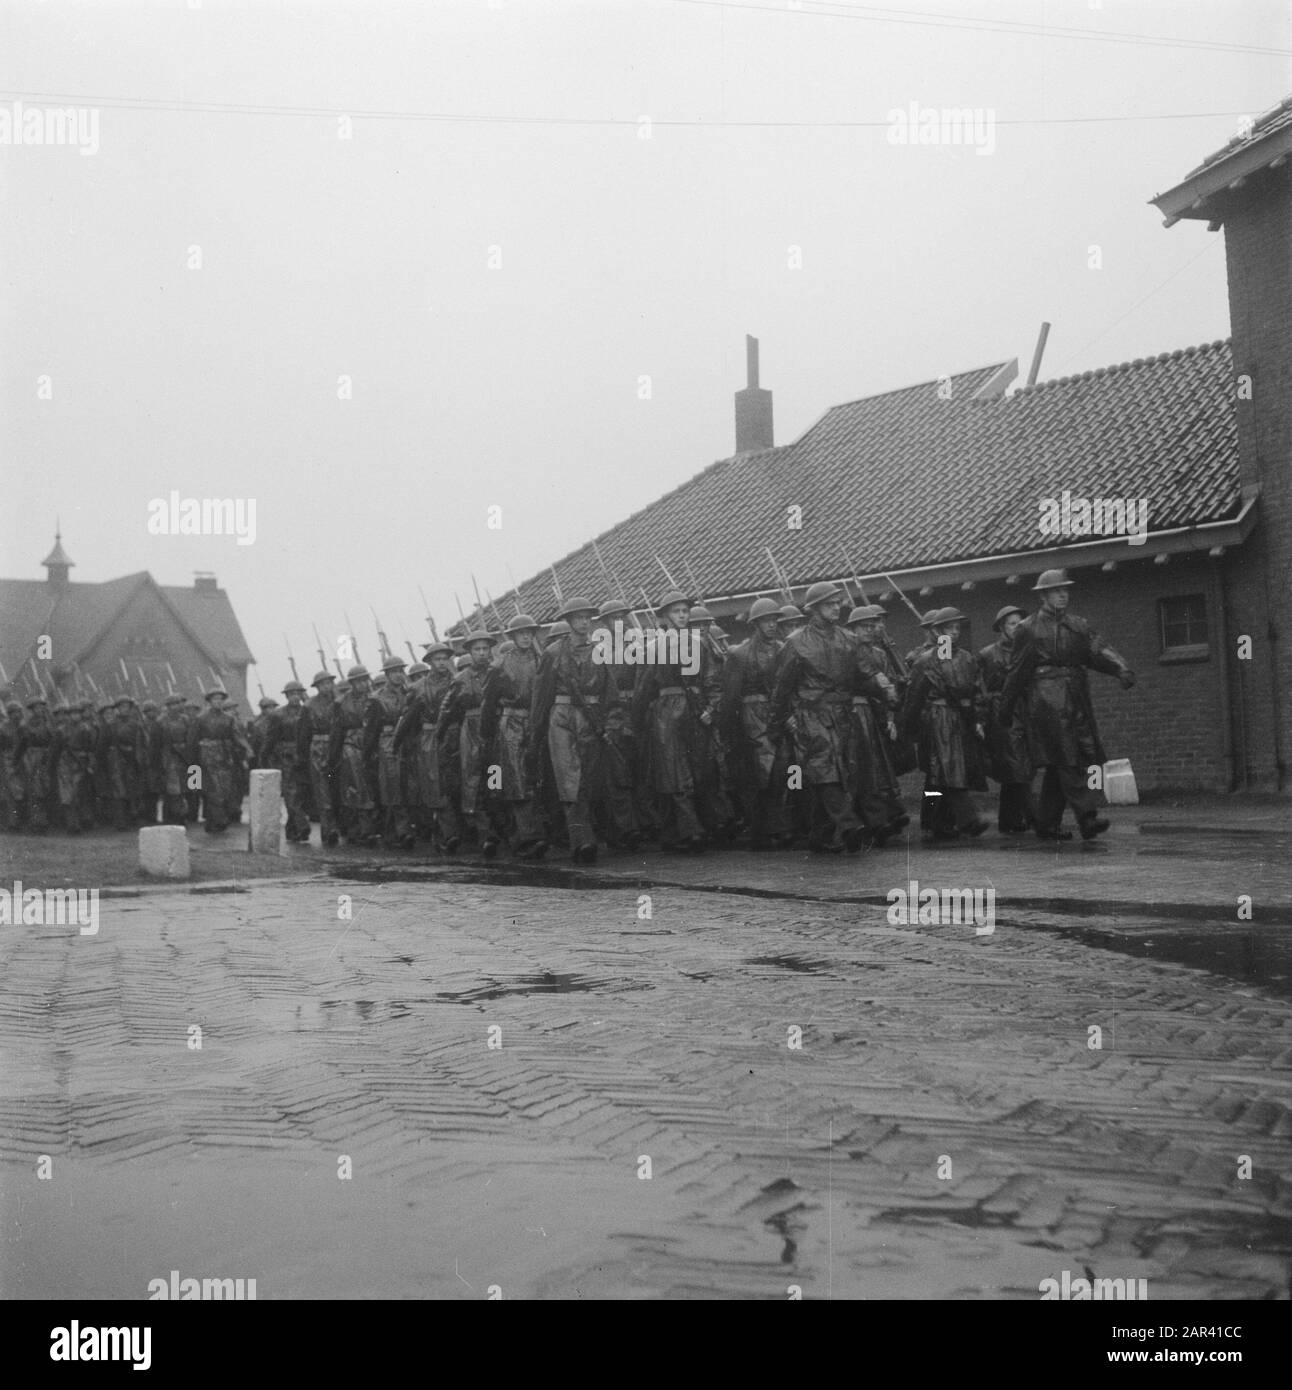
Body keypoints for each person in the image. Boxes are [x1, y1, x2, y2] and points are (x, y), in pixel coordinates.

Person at [999, 569, 1136, 842]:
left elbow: (1097, 650)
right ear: (1043, 595)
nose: (1063, 594)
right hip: (1047, 700)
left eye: (1065, 590)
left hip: (1075, 696)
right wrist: (1006, 709)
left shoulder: (1078, 624)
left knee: (1062, 762)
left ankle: (1047, 824)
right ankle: (1088, 818)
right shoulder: (1028, 628)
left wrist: (1121, 668)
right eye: (1056, 591)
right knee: (1067, 760)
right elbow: (1017, 671)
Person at [769, 582, 871, 854]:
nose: (836, 608)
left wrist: (889, 692)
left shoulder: (849, 639)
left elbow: (866, 673)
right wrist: (780, 721)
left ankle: (820, 835)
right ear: (814, 609)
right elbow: (781, 687)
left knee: (840, 772)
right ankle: (849, 825)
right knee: (825, 770)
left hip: (842, 713)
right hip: (811, 714)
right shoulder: (796, 642)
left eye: (838, 603)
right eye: (829, 604)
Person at [530, 597, 617, 863]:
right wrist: (536, 732)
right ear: (568, 621)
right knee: (570, 781)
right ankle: (583, 841)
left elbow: (610, 691)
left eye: (587, 617)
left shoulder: (601, 650)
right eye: (578, 617)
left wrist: (611, 722)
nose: (583, 622)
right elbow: (541, 696)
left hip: (591, 719)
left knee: (590, 780)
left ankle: (586, 835)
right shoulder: (554, 653)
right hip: (562, 718)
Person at [901, 607, 990, 841]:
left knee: (938, 775)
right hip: (936, 719)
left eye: (957, 628)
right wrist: (908, 728)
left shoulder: (967, 659)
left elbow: (978, 691)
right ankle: (968, 818)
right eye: (949, 628)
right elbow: (914, 698)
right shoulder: (924, 662)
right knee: (948, 769)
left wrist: (978, 719)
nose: (954, 633)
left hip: (961, 719)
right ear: (937, 631)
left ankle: (935, 819)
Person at [631, 591, 709, 854]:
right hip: (666, 713)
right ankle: (690, 830)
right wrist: (637, 722)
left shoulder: (699, 644)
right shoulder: (653, 648)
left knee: (692, 770)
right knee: (673, 772)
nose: (683, 616)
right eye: (677, 612)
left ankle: (673, 831)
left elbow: (712, 680)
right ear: (664, 617)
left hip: (694, 712)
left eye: (686, 611)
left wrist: (710, 707)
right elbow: (643, 689)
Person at [720, 596, 789, 848]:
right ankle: (763, 830)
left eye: (774, 620)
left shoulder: (784, 649)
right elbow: (730, 695)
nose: (772, 625)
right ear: (755, 624)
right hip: (752, 715)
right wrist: (727, 730)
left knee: (786, 771)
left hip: (780, 713)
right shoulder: (740, 653)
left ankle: (780, 824)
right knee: (762, 773)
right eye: (766, 621)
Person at [480, 613, 547, 859]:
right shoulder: (499, 666)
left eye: (530, 632)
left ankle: (537, 834)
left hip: (537, 722)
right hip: (511, 725)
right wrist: (487, 736)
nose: (526, 637)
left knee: (538, 779)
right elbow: (488, 704)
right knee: (515, 782)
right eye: (521, 633)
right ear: (513, 636)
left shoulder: (543, 660)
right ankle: (526, 840)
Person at [843, 604, 906, 845]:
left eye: (872, 626)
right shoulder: (847, 650)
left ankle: (880, 817)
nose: (869, 630)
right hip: (852, 711)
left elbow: (887, 684)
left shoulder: (879, 654)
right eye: (863, 626)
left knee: (876, 767)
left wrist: (889, 714)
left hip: (872, 712)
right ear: (852, 629)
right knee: (858, 767)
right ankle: (867, 819)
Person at [436, 632, 500, 852]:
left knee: (495, 777)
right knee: (473, 780)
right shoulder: (461, 679)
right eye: (477, 649)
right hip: (471, 730)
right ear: (470, 653)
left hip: (495, 729)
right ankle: (484, 834)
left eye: (485, 649)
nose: (482, 653)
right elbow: (447, 710)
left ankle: (498, 829)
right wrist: (441, 737)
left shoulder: (498, 672)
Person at [979, 605, 1037, 834]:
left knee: (1016, 769)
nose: (1017, 627)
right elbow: (983, 689)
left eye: (1020, 623)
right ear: (1001, 627)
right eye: (1012, 623)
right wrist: (982, 718)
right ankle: (1036, 817)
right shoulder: (988, 654)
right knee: (1017, 766)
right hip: (1002, 713)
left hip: (1024, 711)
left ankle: (1008, 820)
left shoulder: (1028, 650)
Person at [328, 665, 380, 846]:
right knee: (354, 788)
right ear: (352, 683)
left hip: (373, 745)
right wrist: (332, 758)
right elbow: (336, 732)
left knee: (372, 787)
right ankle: (358, 830)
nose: (363, 684)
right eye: (358, 681)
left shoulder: (375, 699)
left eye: (365, 680)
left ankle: (371, 828)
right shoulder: (341, 703)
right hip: (350, 747)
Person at [187, 687, 251, 833]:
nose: (218, 702)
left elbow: (237, 736)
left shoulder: (229, 719)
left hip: (224, 757)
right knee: (211, 789)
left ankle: (213, 821)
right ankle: (218, 820)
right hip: (206, 758)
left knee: (224, 789)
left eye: (220, 699)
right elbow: (192, 741)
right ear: (209, 701)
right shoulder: (201, 718)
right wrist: (192, 765)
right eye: (215, 699)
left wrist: (247, 749)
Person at [264, 679, 312, 842]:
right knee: (291, 792)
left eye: (298, 694)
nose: (295, 697)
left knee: (302, 792)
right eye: (291, 694)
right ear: (286, 696)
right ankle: (301, 825)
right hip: (285, 757)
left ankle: (292, 830)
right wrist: (263, 758)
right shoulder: (277, 714)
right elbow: (270, 739)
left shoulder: (307, 711)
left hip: (304, 755)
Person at [298, 671, 340, 846]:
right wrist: (303, 757)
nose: (327, 687)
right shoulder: (308, 706)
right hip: (317, 749)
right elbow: (303, 734)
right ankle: (327, 829)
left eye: (329, 683)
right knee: (322, 791)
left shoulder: (338, 703)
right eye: (323, 684)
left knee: (336, 788)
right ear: (317, 687)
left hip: (336, 748)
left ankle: (340, 827)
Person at [157, 693, 193, 825]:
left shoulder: (185, 719)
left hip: (184, 757)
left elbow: (190, 737)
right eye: (173, 704)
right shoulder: (161, 721)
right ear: (168, 706)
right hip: (169, 757)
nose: (176, 707)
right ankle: (172, 818)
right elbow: (156, 743)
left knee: (187, 788)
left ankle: (183, 817)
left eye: (178, 703)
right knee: (173, 790)